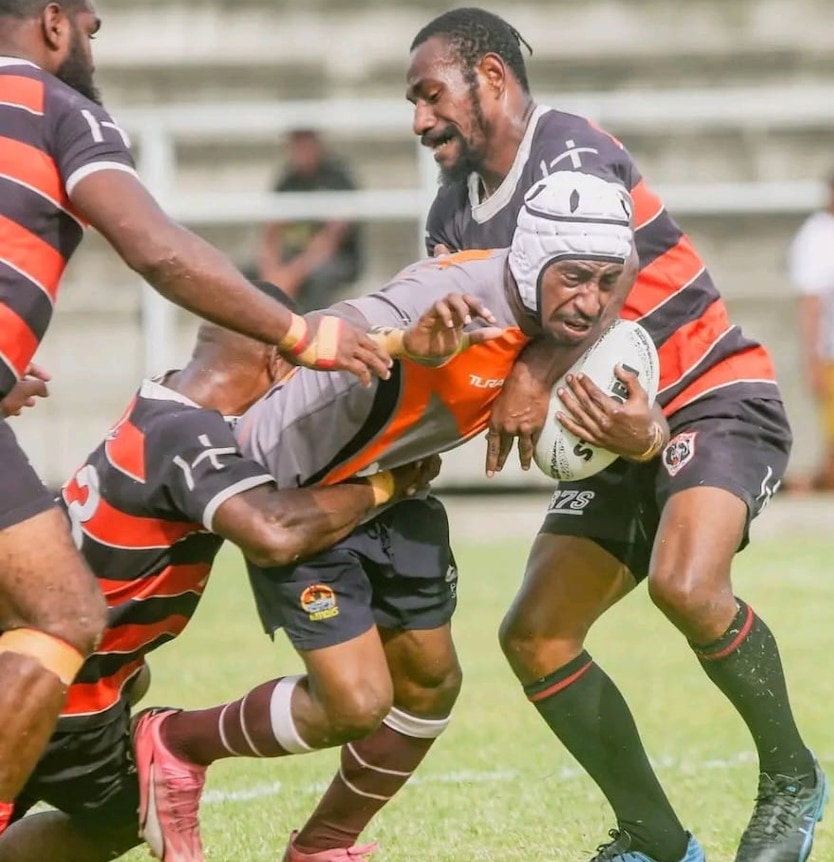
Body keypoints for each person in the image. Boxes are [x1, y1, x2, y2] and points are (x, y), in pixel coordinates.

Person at [129, 171, 661, 862]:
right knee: (354, 703)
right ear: (533, 262)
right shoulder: (451, 299)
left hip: (398, 485)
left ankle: (323, 846)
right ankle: (174, 741)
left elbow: (626, 269)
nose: (591, 302)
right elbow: (340, 327)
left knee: (430, 686)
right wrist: (407, 344)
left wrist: (593, 404)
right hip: (301, 484)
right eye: (574, 279)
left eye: (604, 280)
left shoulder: (565, 304)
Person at [405, 9, 826, 862]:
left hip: (711, 395)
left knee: (685, 583)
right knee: (535, 635)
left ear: (490, 77)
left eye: (430, 94)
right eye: (412, 102)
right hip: (607, 438)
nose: (419, 119)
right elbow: (469, 356)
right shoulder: (451, 218)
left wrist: (533, 378)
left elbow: (617, 259)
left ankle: (793, 781)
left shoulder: (567, 148)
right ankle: (656, 837)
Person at [0, 0, 390, 826]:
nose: (94, 40)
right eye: (90, 25)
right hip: (82, 703)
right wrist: (303, 331)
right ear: (55, 23)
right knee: (69, 617)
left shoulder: (158, 410)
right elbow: (160, 248)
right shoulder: (58, 110)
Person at [0, 282, 439, 862]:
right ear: (280, 358)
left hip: (78, 685)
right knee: (128, 809)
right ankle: (173, 738)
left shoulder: (160, 401)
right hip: (56, 695)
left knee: (126, 812)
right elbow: (273, 533)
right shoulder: (191, 436)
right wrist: (386, 485)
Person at [788, 168, 834, 491]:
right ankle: (823, 495)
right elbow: (812, 303)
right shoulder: (819, 236)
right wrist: (813, 358)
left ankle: (814, 485)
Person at [257, 128, 363, 311]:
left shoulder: (337, 179)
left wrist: (291, 275)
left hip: (336, 260)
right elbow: (271, 233)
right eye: (297, 145)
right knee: (247, 275)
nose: (301, 151)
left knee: (319, 277)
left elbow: (331, 240)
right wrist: (270, 270)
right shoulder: (287, 180)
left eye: (306, 144)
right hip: (293, 258)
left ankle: (311, 331)